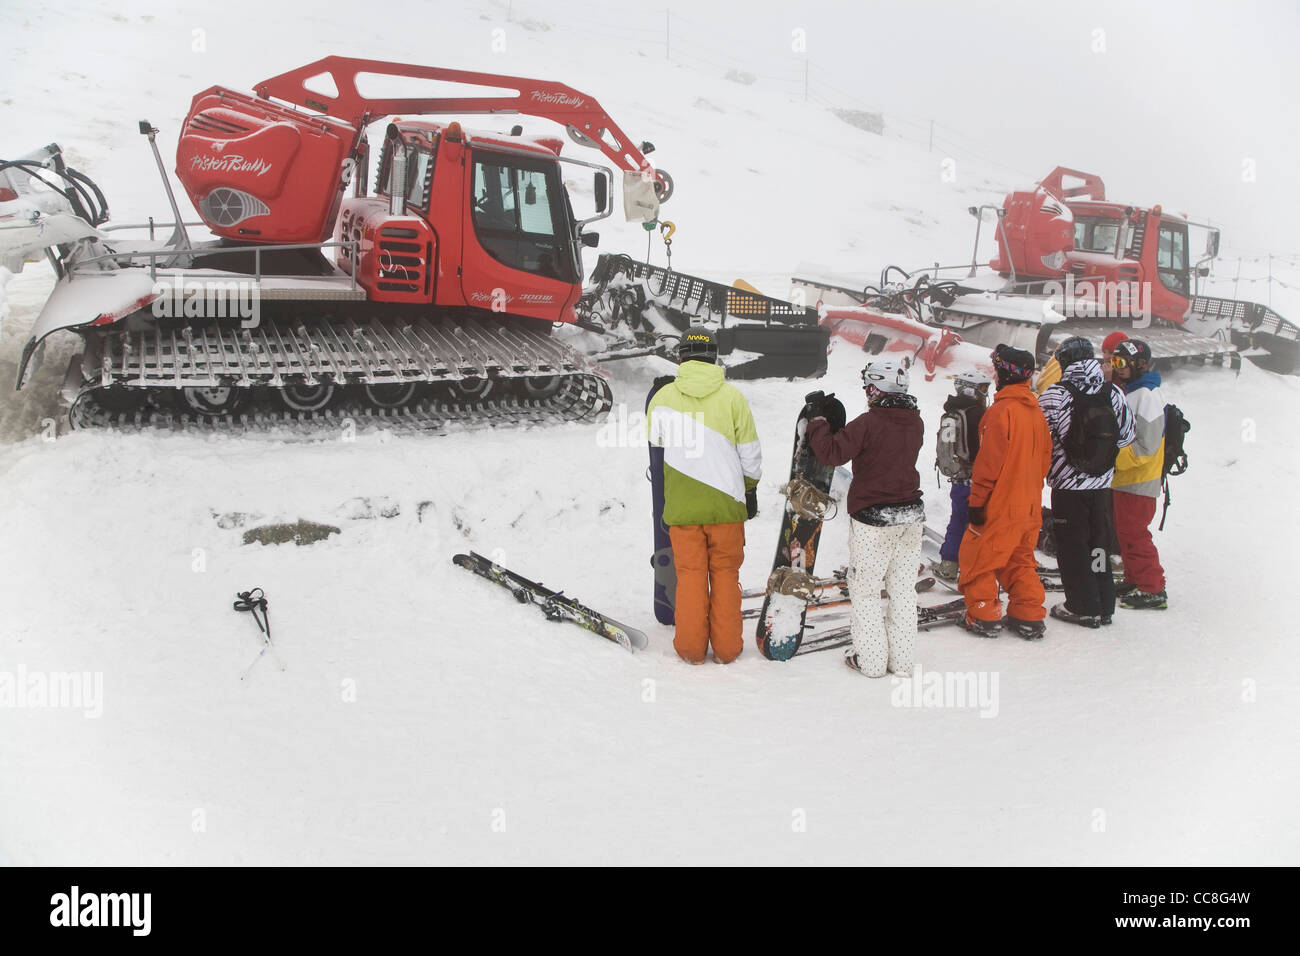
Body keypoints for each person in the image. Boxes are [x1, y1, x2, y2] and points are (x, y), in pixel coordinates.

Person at [647, 326, 761, 664]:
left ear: (680, 356)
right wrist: (749, 490)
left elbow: (655, 443)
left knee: (692, 577)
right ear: (715, 357)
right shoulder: (733, 398)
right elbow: (751, 456)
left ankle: (691, 649)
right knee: (725, 575)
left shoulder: (663, 398)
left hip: (682, 507)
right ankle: (727, 650)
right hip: (726, 506)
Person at [807, 358, 924, 678]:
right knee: (902, 590)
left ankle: (871, 661)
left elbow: (831, 453)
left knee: (866, 590)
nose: (866, 393)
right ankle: (901, 662)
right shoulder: (915, 421)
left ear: (877, 388)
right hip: (911, 517)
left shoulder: (870, 422)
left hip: (874, 520)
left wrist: (818, 420)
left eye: (868, 387)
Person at [1038, 336, 1135, 628]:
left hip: (1068, 487)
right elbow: (1128, 435)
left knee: (1072, 546)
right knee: (1097, 546)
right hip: (1102, 486)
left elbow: (1039, 439)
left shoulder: (1055, 395)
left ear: (1065, 362)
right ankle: (1104, 604)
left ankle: (1082, 606)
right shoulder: (1113, 392)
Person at [956, 346, 1052, 638]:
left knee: (979, 557)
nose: (995, 376)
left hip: (1001, 503)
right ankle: (1028, 613)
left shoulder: (1001, 412)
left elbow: (988, 465)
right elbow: (1045, 461)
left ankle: (984, 614)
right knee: (1019, 560)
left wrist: (978, 501)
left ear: (1006, 374)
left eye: (997, 370)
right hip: (1030, 505)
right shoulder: (1036, 413)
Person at [1110, 338, 1168, 609]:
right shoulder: (1132, 391)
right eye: (1113, 361)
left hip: (1139, 480)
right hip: (1125, 480)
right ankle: (1134, 577)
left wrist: (1112, 457)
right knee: (1125, 533)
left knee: (1135, 534)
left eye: (1122, 363)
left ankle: (1153, 588)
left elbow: (1146, 445)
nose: (1117, 368)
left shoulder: (1146, 395)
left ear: (1139, 365)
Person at [933, 370, 992, 582]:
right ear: (969, 388)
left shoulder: (952, 412)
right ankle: (975, 567)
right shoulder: (979, 414)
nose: (984, 393)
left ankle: (949, 564)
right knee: (976, 525)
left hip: (959, 479)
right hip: (978, 479)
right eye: (982, 388)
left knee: (957, 520)